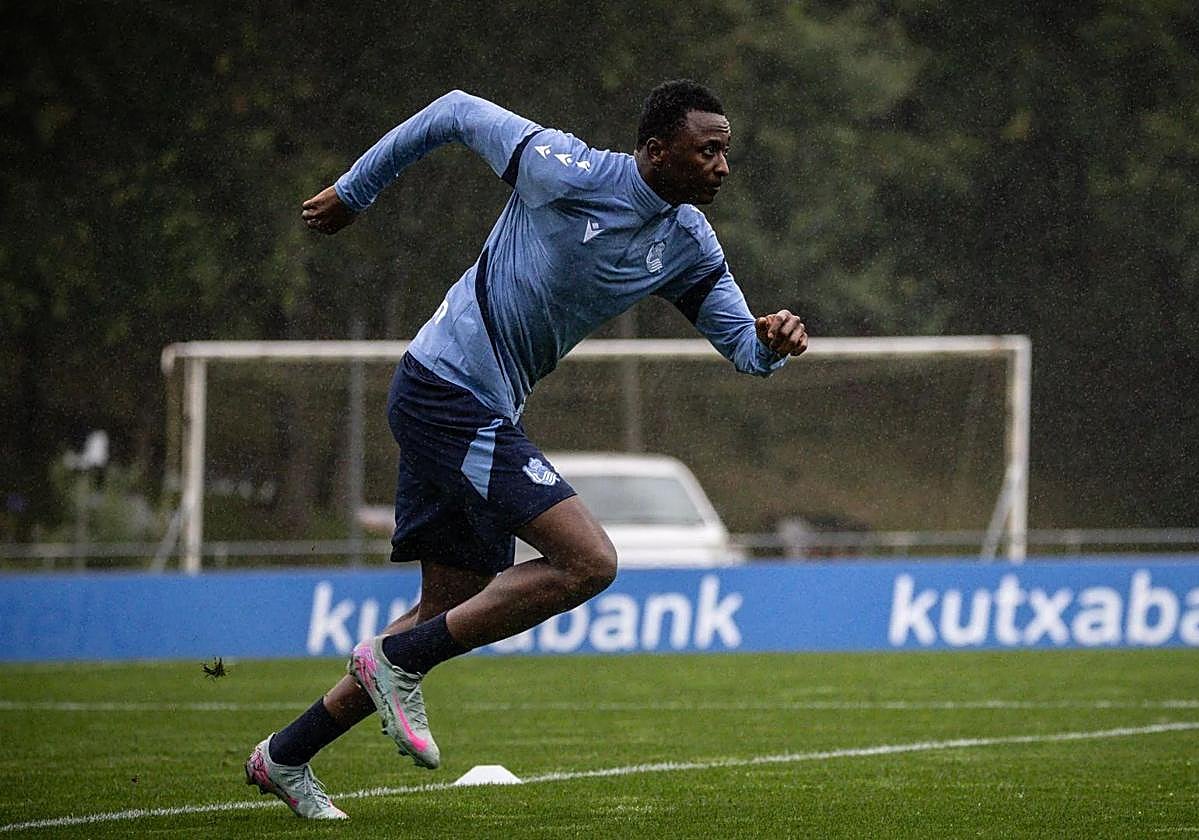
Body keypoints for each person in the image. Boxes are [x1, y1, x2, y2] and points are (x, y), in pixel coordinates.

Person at [244, 80, 808, 819]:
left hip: (476, 406)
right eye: (708, 150)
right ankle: (394, 663)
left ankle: (286, 755)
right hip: (442, 391)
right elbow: (449, 109)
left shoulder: (687, 243)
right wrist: (356, 191)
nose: (723, 166)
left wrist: (770, 342)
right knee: (589, 561)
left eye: (726, 151)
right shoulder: (564, 167)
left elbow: (741, 345)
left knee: (452, 608)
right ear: (656, 151)